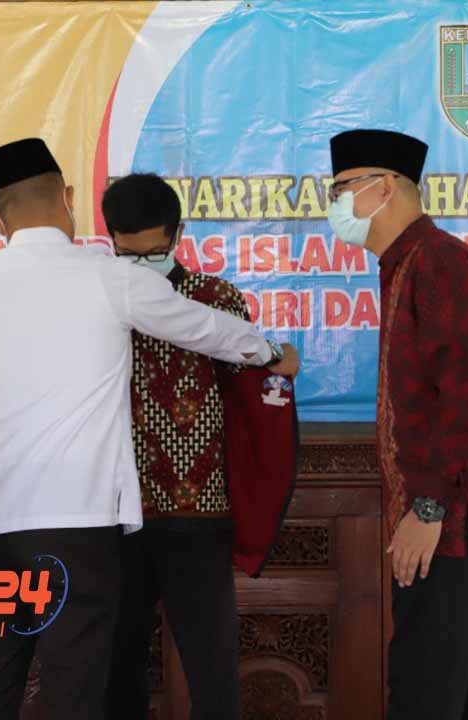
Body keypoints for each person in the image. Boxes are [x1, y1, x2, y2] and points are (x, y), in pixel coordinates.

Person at [0, 139, 298, 720]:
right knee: (75, 685)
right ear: (68, 199)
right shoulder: (107, 277)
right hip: (74, 525)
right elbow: (205, 328)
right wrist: (270, 352)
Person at [325, 128, 468, 719]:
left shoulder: (438, 262)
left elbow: (467, 399)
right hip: (452, 517)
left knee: (425, 688)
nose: (335, 203)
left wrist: (428, 510)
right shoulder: (407, 263)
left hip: (451, 521)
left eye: (342, 188)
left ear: (385, 187)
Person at [101, 174, 298, 720]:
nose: (142, 265)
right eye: (129, 254)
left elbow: (251, 393)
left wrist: (279, 364)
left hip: (200, 514)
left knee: (212, 672)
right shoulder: (99, 300)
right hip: (115, 513)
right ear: (109, 237)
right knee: (116, 669)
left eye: (154, 252)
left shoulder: (215, 298)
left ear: (178, 234)